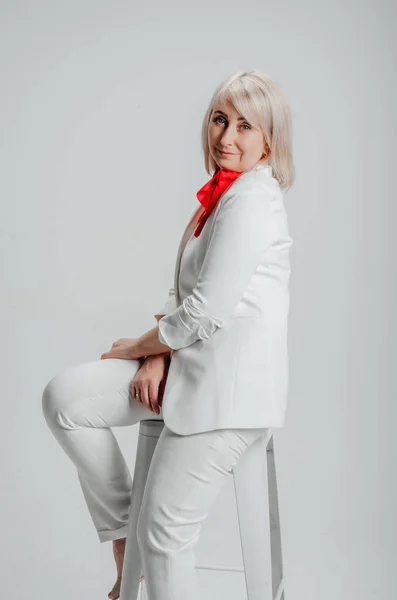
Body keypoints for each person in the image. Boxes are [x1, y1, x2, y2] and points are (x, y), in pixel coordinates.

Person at [42, 69, 295, 600]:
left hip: (227, 394)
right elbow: (186, 294)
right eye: (221, 119)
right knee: (66, 399)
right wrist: (159, 355)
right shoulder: (223, 196)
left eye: (245, 126)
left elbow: (204, 312)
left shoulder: (252, 200)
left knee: (164, 535)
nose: (226, 136)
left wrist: (141, 346)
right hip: (190, 367)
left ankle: (139, 539)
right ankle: (121, 538)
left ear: (269, 138)